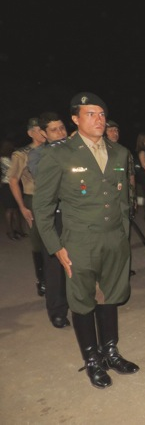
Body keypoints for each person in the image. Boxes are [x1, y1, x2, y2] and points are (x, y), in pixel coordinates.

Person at [33, 92, 139, 389]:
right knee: (82, 302)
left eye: (102, 114)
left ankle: (111, 352)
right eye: (90, 114)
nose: (99, 119)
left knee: (110, 296)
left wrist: (123, 239)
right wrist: (56, 248)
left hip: (113, 240)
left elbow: (123, 203)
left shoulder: (120, 153)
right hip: (80, 242)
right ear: (75, 119)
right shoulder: (59, 154)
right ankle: (92, 360)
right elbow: (42, 209)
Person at [28, 112, 71, 328]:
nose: (61, 132)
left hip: (74, 214)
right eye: (54, 129)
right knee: (54, 264)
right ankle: (57, 310)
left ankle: (78, 301)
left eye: (62, 127)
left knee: (78, 261)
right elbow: (49, 181)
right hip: (54, 216)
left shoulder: (75, 150)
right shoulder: (38, 155)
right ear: (44, 134)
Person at [7, 118, 49, 298]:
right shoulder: (21, 154)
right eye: (39, 130)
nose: (43, 133)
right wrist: (22, 207)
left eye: (44, 129)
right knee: (38, 241)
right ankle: (42, 280)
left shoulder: (54, 149)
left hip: (55, 198)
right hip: (34, 198)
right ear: (30, 132)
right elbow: (13, 180)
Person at [106, 119, 137, 276]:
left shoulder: (125, 152)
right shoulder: (101, 152)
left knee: (124, 236)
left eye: (116, 130)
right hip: (108, 204)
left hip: (123, 201)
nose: (115, 133)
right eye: (111, 130)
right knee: (109, 239)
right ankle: (111, 269)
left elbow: (130, 175)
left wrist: (132, 199)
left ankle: (124, 268)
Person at [1, 139, 26, 240]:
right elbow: (13, 169)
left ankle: (19, 230)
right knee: (10, 209)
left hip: (14, 184)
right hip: (7, 185)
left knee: (16, 209)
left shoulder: (11, 157)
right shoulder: (4, 159)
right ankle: (10, 231)